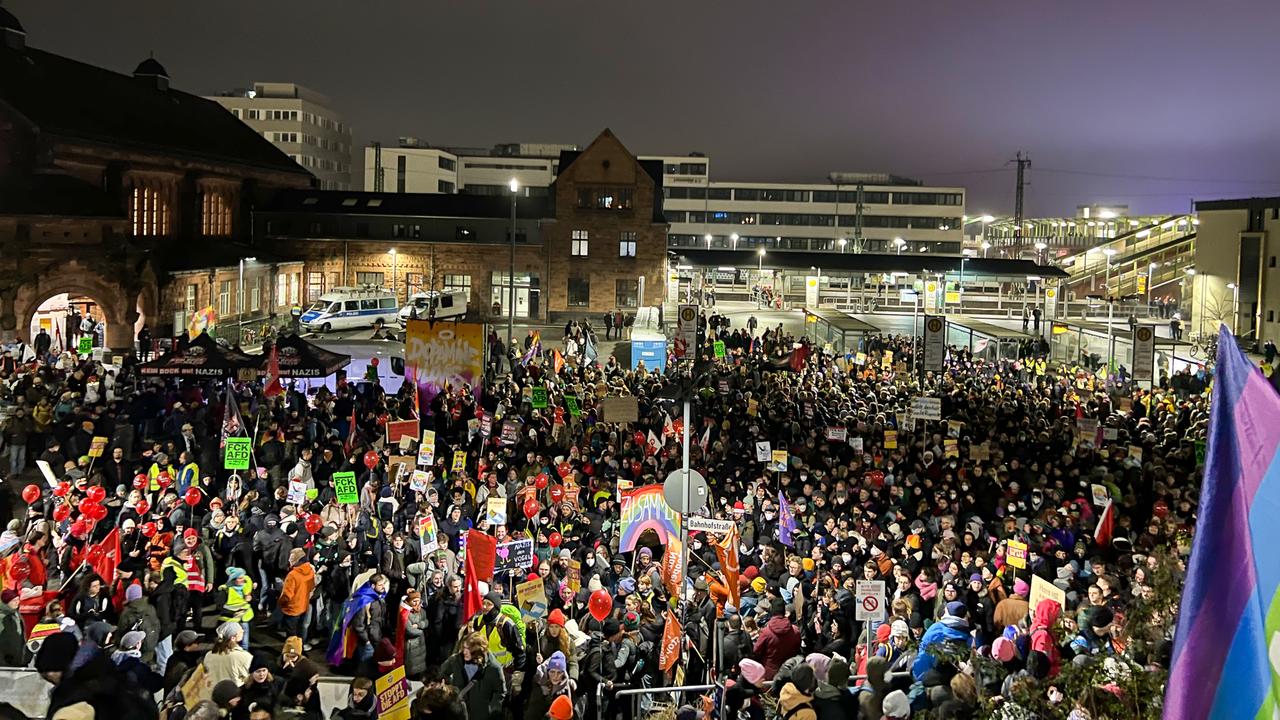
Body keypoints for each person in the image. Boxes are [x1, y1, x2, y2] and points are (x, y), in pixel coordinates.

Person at [440, 631, 506, 720]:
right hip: (459, 714)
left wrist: (493, 711)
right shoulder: (456, 660)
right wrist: (451, 689)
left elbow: (500, 692)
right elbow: (441, 674)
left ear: (478, 651)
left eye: (468, 649)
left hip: (481, 715)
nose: (464, 652)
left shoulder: (494, 668)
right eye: (464, 647)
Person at [753, 597, 801, 681]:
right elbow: (797, 648)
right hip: (788, 672)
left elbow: (756, 651)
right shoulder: (795, 630)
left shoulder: (766, 632)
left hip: (769, 672)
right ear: (784, 611)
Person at [278, 547, 316, 641]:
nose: (289, 560)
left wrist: (280, 603)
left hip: (292, 609)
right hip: (304, 606)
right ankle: (301, 647)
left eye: (291, 559)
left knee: (291, 636)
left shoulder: (292, 575)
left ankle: (293, 649)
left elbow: (287, 595)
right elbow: (311, 587)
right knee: (300, 632)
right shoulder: (310, 571)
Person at [203, 621, 254, 688]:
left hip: (213, 691)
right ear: (233, 638)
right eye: (239, 630)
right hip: (234, 691)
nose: (243, 631)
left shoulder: (208, 655)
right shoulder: (244, 656)